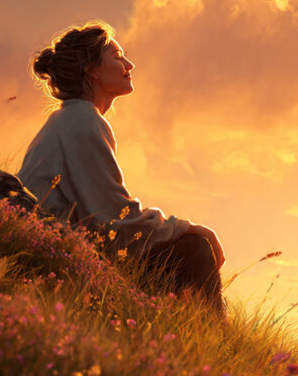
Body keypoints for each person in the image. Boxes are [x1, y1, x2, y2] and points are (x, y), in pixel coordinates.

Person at [18, 21, 227, 317]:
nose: (129, 64)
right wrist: (187, 228)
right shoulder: (82, 120)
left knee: (180, 252)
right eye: (117, 56)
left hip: (62, 249)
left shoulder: (71, 118)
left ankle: (190, 332)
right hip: (57, 258)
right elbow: (115, 218)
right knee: (194, 248)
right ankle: (215, 338)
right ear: (92, 70)